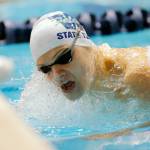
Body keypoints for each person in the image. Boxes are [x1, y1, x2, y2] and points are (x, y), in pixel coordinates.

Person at [30, 11, 150, 101]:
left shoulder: (138, 77)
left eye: (64, 58)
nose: (57, 75)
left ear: (84, 43)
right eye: (46, 69)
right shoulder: (85, 81)